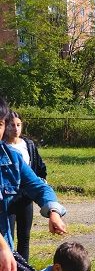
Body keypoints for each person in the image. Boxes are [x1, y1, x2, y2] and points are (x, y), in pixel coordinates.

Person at [0, 98, 67, 271]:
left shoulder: (11, 158)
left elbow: (39, 187)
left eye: (0, 124)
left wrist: (53, 211)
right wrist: (3, 247)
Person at [4, 110, 47, 262]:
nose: (15, 129)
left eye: (18, 125)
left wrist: (41, 181)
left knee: (24, 237)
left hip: (25, 197)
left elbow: (39, 168)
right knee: (7, 237)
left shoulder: (28, 145)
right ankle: (8, 270)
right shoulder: (3, 148)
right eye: (11, 125)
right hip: (7, 198)